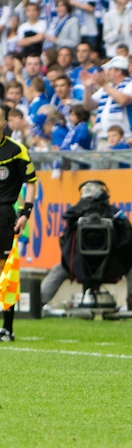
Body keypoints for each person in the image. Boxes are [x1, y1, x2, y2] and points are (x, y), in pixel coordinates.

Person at [0, 106, 38, 342]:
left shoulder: (16, 150)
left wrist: (26, 212)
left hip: (4, 215)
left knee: (5, 270)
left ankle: (8, 327)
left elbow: (31, 181)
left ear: (4, 122)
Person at [81, 56, 132, 145]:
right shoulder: (107, 88)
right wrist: (87, 87)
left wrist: (105, 85)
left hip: (125, 139)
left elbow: (123, 100)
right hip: (103, 138)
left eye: (109, 70)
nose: (106, 72)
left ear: (118, 71)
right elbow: (88, 106)